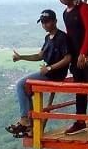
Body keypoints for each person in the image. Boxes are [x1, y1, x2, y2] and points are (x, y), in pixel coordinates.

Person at [7, 10, 71, 138]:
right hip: (48, 72)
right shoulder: (48, 38)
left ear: (55, 21)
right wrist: (21, 57)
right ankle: (30, 124)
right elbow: (39, 55)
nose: (44, 25)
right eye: (42, 22)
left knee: (20, 85)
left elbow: (67, 58)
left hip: (54, 75)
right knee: (25, 89)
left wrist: (49, 68)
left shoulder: (62, 37)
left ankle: (25, 120)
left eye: (47, 22)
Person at [54, 0, 88, 135]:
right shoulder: (66, 13)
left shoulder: (83, 8)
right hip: (76, 58)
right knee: (80, 89)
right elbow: (71, 36)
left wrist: (84, 53)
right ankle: (80, 121)